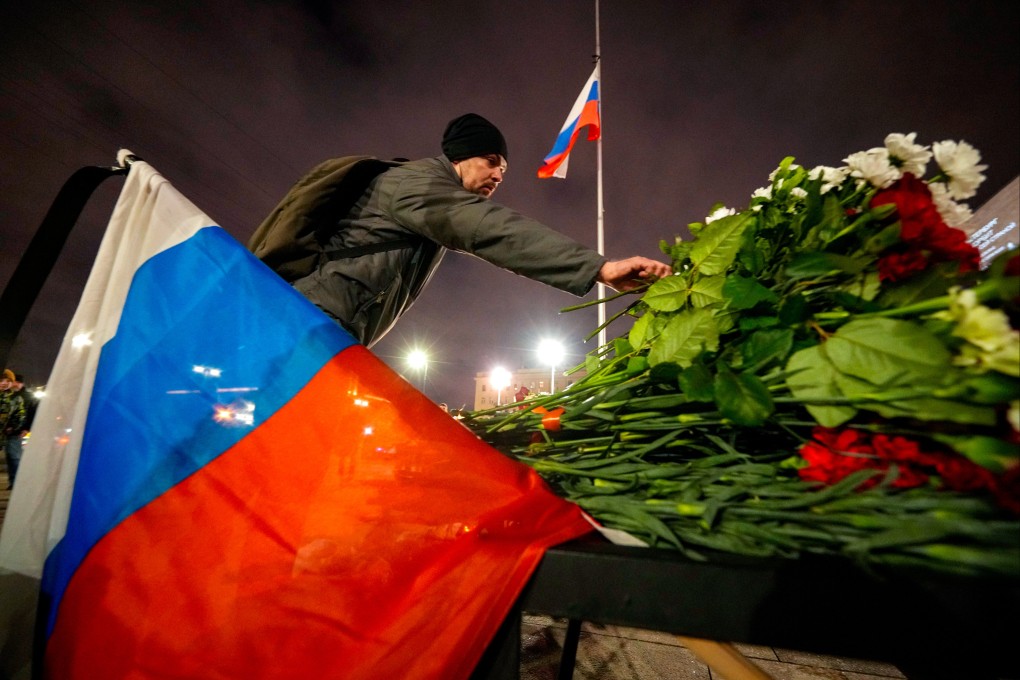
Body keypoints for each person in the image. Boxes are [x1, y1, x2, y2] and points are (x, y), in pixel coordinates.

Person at [261, 113, 672, 347]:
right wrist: (599, 268)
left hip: (329, 329)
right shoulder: (417, 185)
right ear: (460, 157)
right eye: (491, 161)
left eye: (504, 169)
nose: (498, 174)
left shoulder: (424, 191)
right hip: (313, 327)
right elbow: (493, 230)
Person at [1, 369, 26, 489]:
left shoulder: (16, 398)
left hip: (10, 433)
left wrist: (13, 427)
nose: (4, 383)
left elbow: (20, 414)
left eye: (7, 380)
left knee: (13, 457)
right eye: (1, 380)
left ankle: (15, 483)